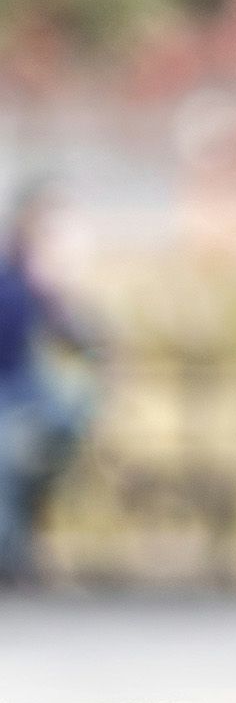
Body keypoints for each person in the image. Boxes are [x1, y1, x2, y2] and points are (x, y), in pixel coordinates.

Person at [0, 178, 105, 584]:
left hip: (24, 389)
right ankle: (12, 552)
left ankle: (20, 546)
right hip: (11, 391)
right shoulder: (13, 271)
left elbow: (66, 326)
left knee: (57, 434)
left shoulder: (28, 273)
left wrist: (97, 354)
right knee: (8, 463)